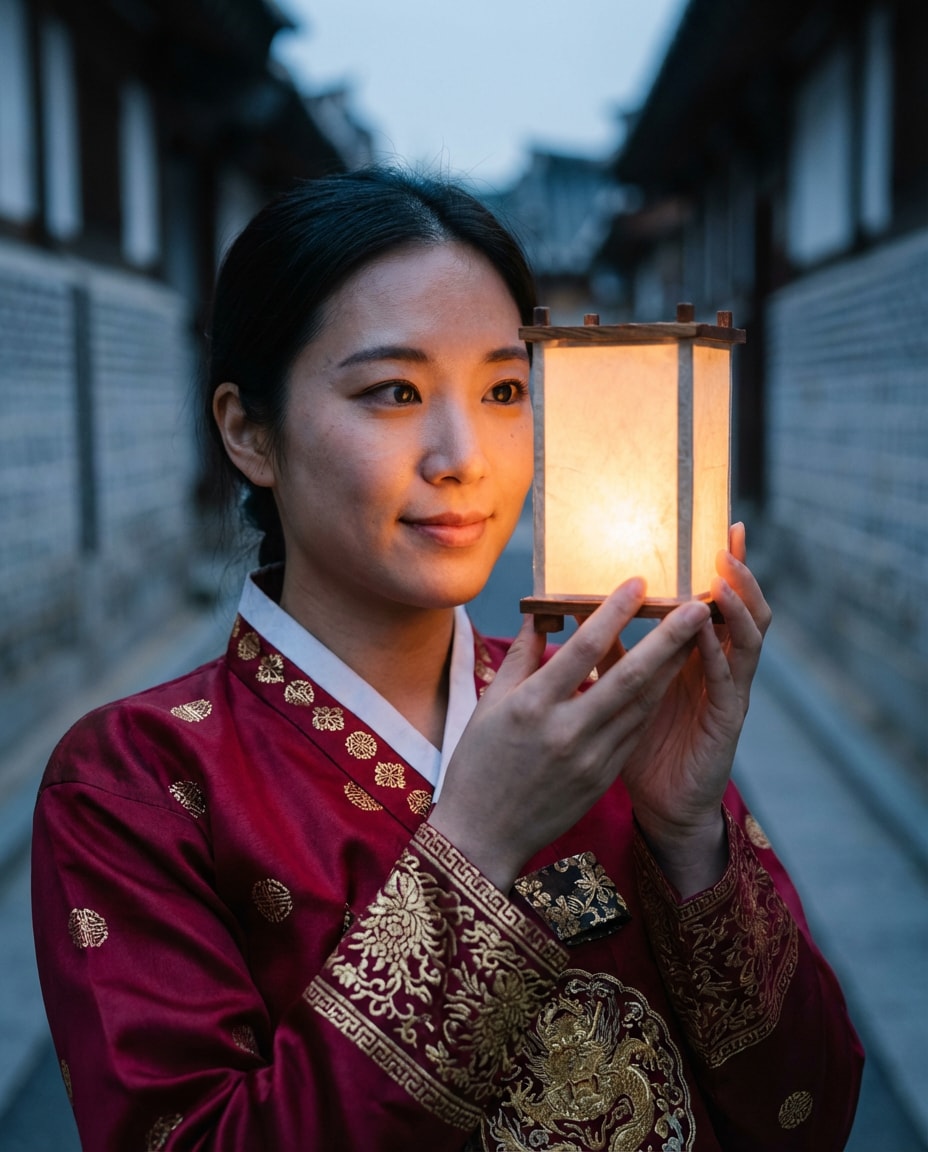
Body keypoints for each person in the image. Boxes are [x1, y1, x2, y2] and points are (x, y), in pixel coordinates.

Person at [32, 167, 862, 1152]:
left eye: (505, 389)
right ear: (249, 432)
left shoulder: (599, 714)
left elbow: (807, 1116)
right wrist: (473, 844)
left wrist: (688, 838)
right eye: (394, 392)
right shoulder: (135, 783)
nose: (463, 454)